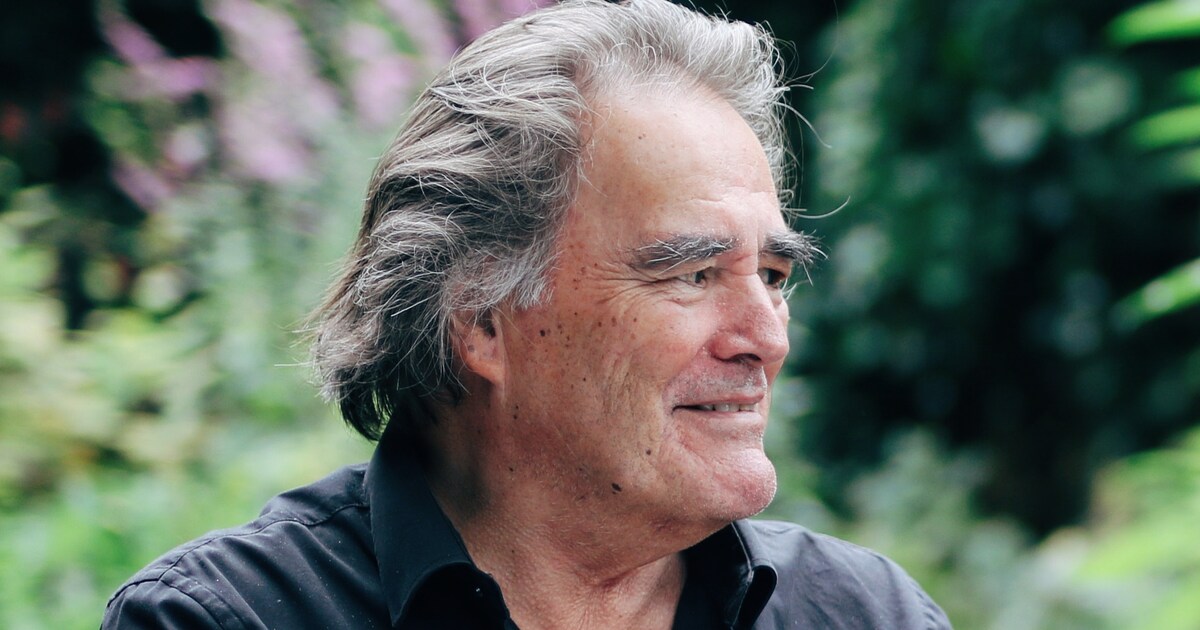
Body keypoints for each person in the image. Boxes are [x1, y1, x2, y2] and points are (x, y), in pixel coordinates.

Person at [103, 0, 951, 628]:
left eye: (771, 274)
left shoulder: (866, 614)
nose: (765, 338)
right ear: (480, 316)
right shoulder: (225, 619)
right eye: (693, 274)